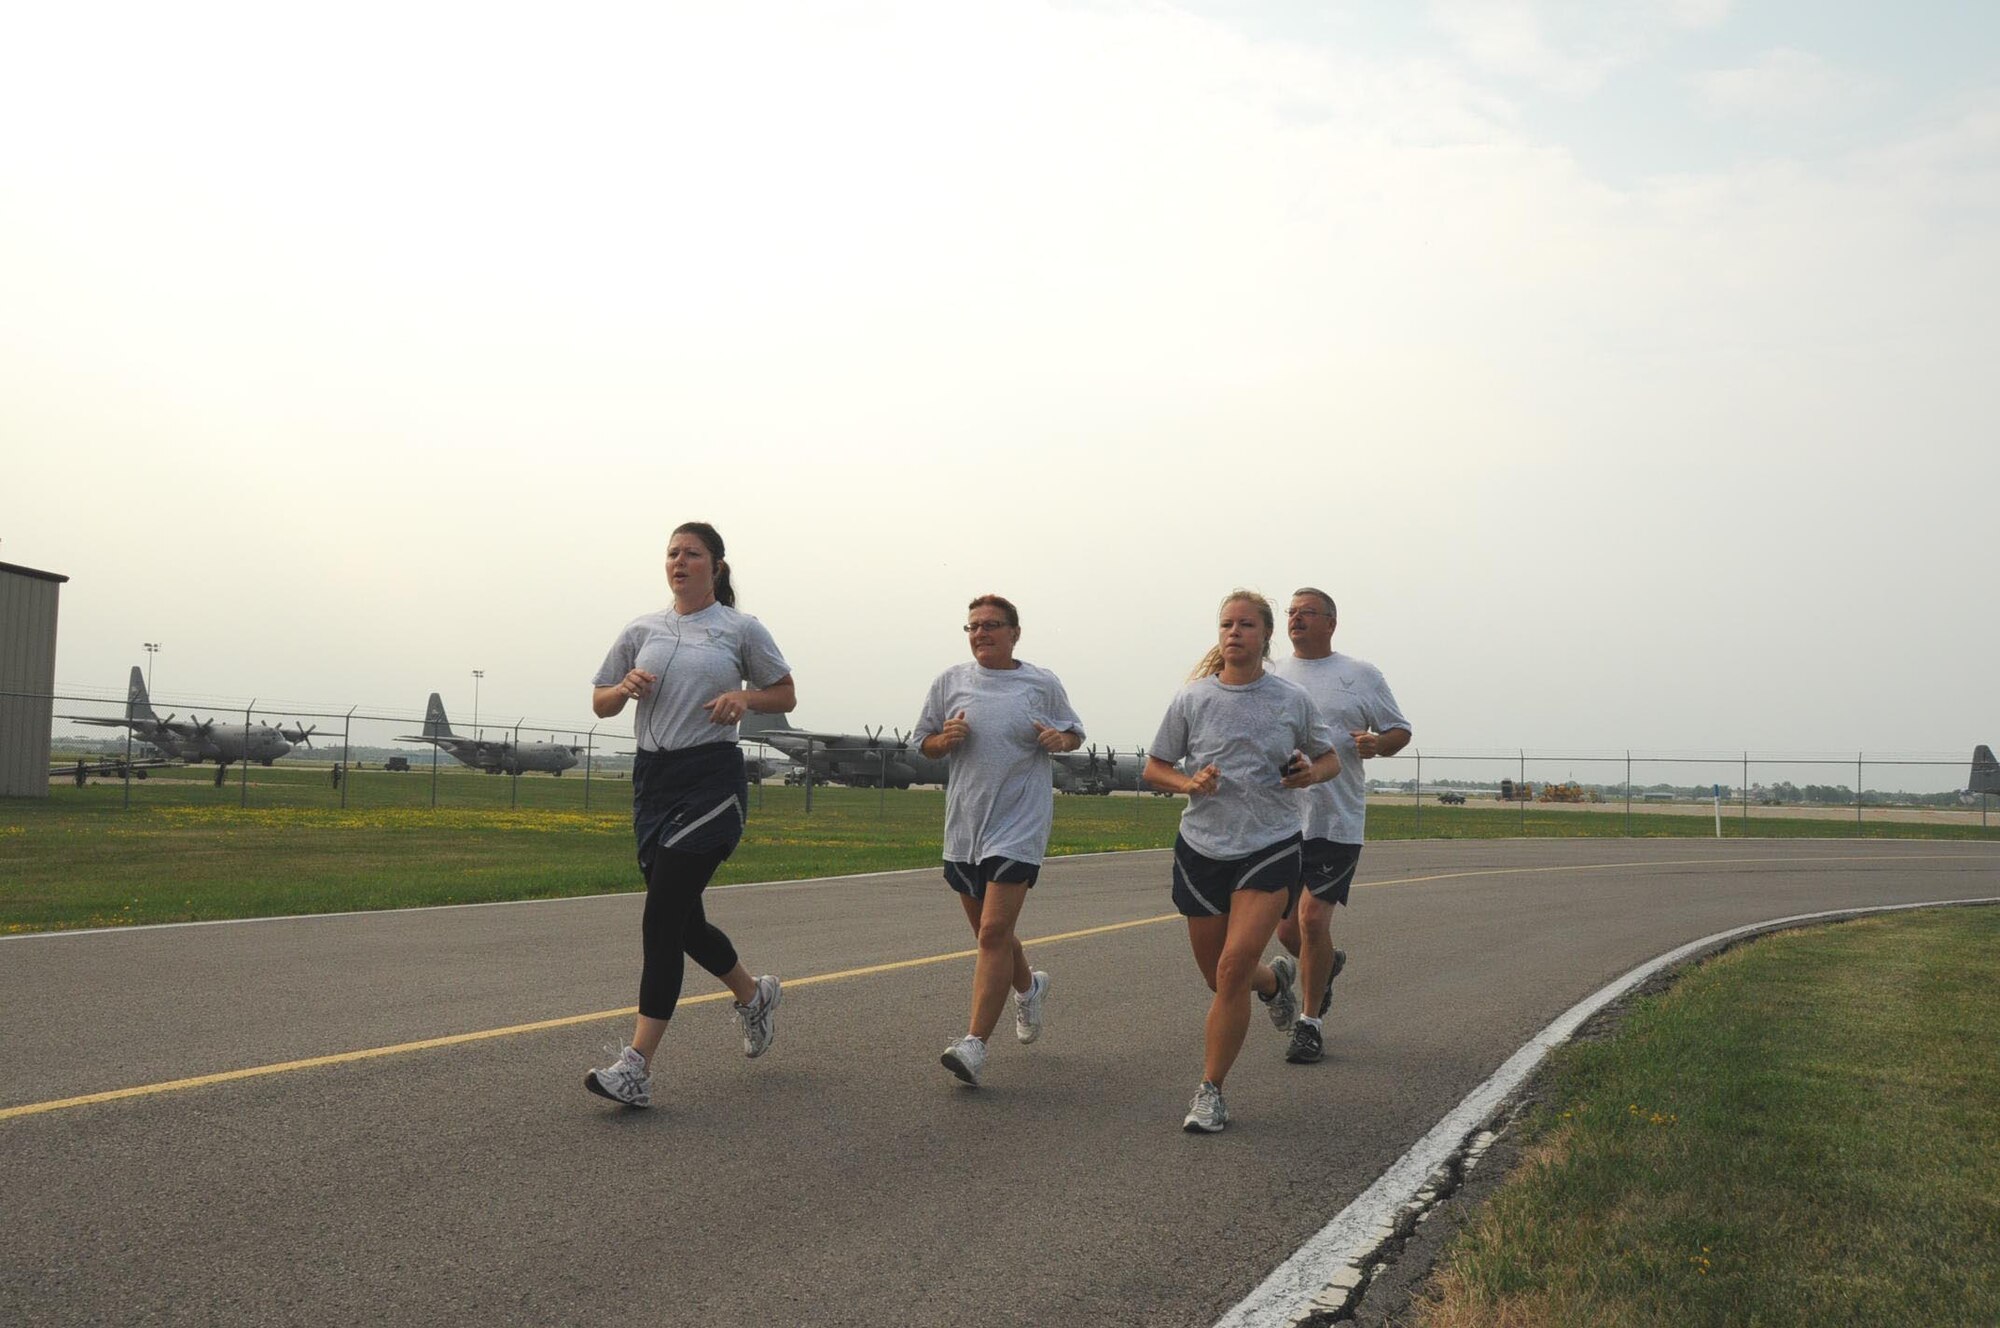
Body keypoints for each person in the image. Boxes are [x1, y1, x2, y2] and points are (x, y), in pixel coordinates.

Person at [583, 522, 797, 1108]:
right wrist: (622, 688)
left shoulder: (739, 629)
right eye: (673, 553)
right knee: (684, 923)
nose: (680, 562)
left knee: (660, 920)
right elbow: (600, 702)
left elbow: (785, 693)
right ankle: (754, 997)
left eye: (692, 554)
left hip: (711, 781)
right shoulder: (642, 629)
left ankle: (636, 1067)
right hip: (653, 782)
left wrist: (745, 699)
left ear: (716, 566)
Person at [1144, 591, 1339, 1133]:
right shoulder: (1192, 699)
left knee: (1231, 968)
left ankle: (1211, 1092)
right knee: (1219, 978)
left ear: (1265, 635)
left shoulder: (1290, 699)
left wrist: (1310, 773)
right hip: (1202, 848)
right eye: (1227, 624)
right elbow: (1155, 766)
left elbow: (1328, 759)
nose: (1234, 633)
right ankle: (1274, 984)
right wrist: (1187, 782)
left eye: (1246, 624)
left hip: (1270, 844)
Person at [912, 595, 1085, 1087]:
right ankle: (1029, 989)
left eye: (991, 625)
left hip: (1020, 824)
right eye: (973, 627)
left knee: (992, 933)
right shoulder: (950, 681)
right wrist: (941, 742)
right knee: (993, 935)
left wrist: (1060, 740)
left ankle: (974, 1044)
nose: (981, 633)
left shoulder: (1040, 682)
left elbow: (1073, 733)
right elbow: (921, 743)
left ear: (1014, 632)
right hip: (965, 826)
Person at [1271, 588, 1412, 1064]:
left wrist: (1378, 743)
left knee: (1313, 920)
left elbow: (1399, 730)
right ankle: (1325, 966)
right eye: (1290, 612)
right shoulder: (1271, 674)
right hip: (1281, 821)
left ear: (1331, 622)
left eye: (1306, 613)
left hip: (1336, 819)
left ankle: (1309, 1024)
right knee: (1287, 932)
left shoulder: (1360, 675)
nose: (1295, 620)